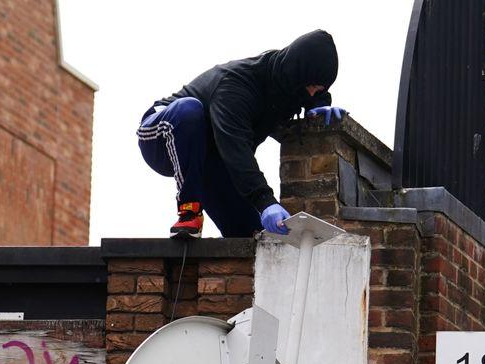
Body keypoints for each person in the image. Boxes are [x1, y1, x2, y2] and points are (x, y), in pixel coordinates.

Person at [138, 30, 347, 239]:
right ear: (297, 72)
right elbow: (236, 147)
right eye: (311, 86)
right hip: (163, 133)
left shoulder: (292, 87)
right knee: (190, 110)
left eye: (317, 89)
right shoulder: (237, 86)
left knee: (250, 235)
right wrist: (265, 200)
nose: (311, 93)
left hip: (210, 156)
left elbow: (313, 93)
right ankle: (189, 211)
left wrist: (319, 105)